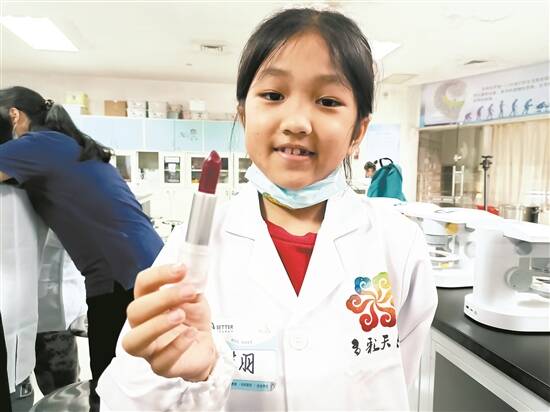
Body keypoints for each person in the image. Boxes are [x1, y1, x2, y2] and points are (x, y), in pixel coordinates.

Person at [97, 7, 437, 411]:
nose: (297, 122)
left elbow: (398, 379)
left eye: (328, 101)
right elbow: (124, 400)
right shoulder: (192, 245)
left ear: (358, 131)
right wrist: (193, 377)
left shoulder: (398, 243)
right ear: (243, 114)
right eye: (273, 95)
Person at [0, 86, 164, 382]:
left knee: (110, 376)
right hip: (144, 261)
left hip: (120, 272)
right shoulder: (66, 143)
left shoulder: (36, 145)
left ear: (14, 115)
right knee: (141, 371)